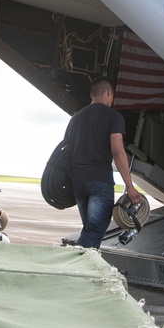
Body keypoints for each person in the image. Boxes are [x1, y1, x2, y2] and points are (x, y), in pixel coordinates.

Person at [65, 78, 141, 249]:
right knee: (94, 231)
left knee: (89, 229)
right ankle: (79, 269)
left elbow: (66, 151)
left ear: (92, 94)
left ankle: (86, 268)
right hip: (99, 182)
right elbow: (117, 151)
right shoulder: (114, 117)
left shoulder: (75, 119)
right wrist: (129, 186)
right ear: (108, 93)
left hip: (78, 181)